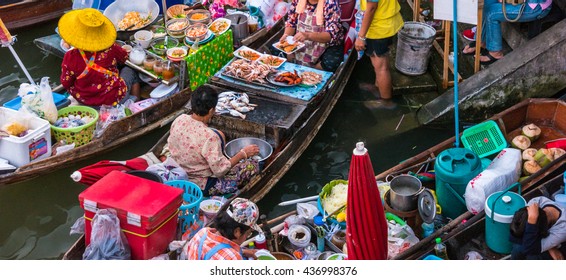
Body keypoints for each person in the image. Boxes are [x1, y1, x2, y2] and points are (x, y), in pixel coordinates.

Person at [167, 85, 260, 196]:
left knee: (219, 134)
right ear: (211, 110)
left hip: (178, 172)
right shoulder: (209, 137)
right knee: (253, 166)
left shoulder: (180, 119)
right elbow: (220, 171)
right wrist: (243, 154)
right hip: (202, 184)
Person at [58, 8, 141, 107]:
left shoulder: (70, 56)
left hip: (84, 99)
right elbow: (124, 57)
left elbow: (66, 82)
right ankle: (135, 105)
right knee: (131, 70)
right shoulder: (110, 48)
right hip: (112, 98)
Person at [462, 0, 552, 65]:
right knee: (488, 2)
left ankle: (495, 52)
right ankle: (483, 39)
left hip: (536, 6)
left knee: (492, 13)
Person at [354, 0, 403, 105]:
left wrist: (361, 36)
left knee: (381, 67)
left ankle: (386, 102)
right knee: (379, 64)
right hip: (387, 22)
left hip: (379, 28)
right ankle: (378, 86)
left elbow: (371, 8)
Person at [185, 198, 262, 260]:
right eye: (248, 234)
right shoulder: (233, 258)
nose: (246, 237)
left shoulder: (202, 232)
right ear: (237, 232)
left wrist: (241, 251)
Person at [280, 0, 345, 72]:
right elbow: (291, 22)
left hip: (325, 44)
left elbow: (330, 35)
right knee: (276, 50)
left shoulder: (330, 3)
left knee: (332, 62)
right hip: (300, 41)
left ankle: (313, 72)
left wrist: (308, 35)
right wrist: (286, 36)